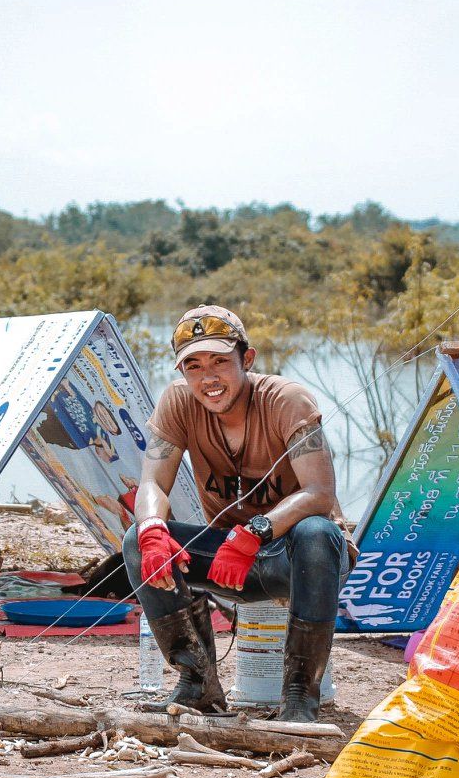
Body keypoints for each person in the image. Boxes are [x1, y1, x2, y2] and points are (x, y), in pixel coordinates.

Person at [121, 305, 350, 723]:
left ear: (247, 359)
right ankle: (198, 683)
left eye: (220, 362)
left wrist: (256, 532)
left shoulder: (287, 399)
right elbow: (153, 483)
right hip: (227, 558)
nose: (208, 378)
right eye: (193, 366)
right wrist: (153, 527)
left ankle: (300, 697)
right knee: (138, 541)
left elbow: (320, 493)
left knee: (317, 533)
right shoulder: (177, 402)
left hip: (294, 557)